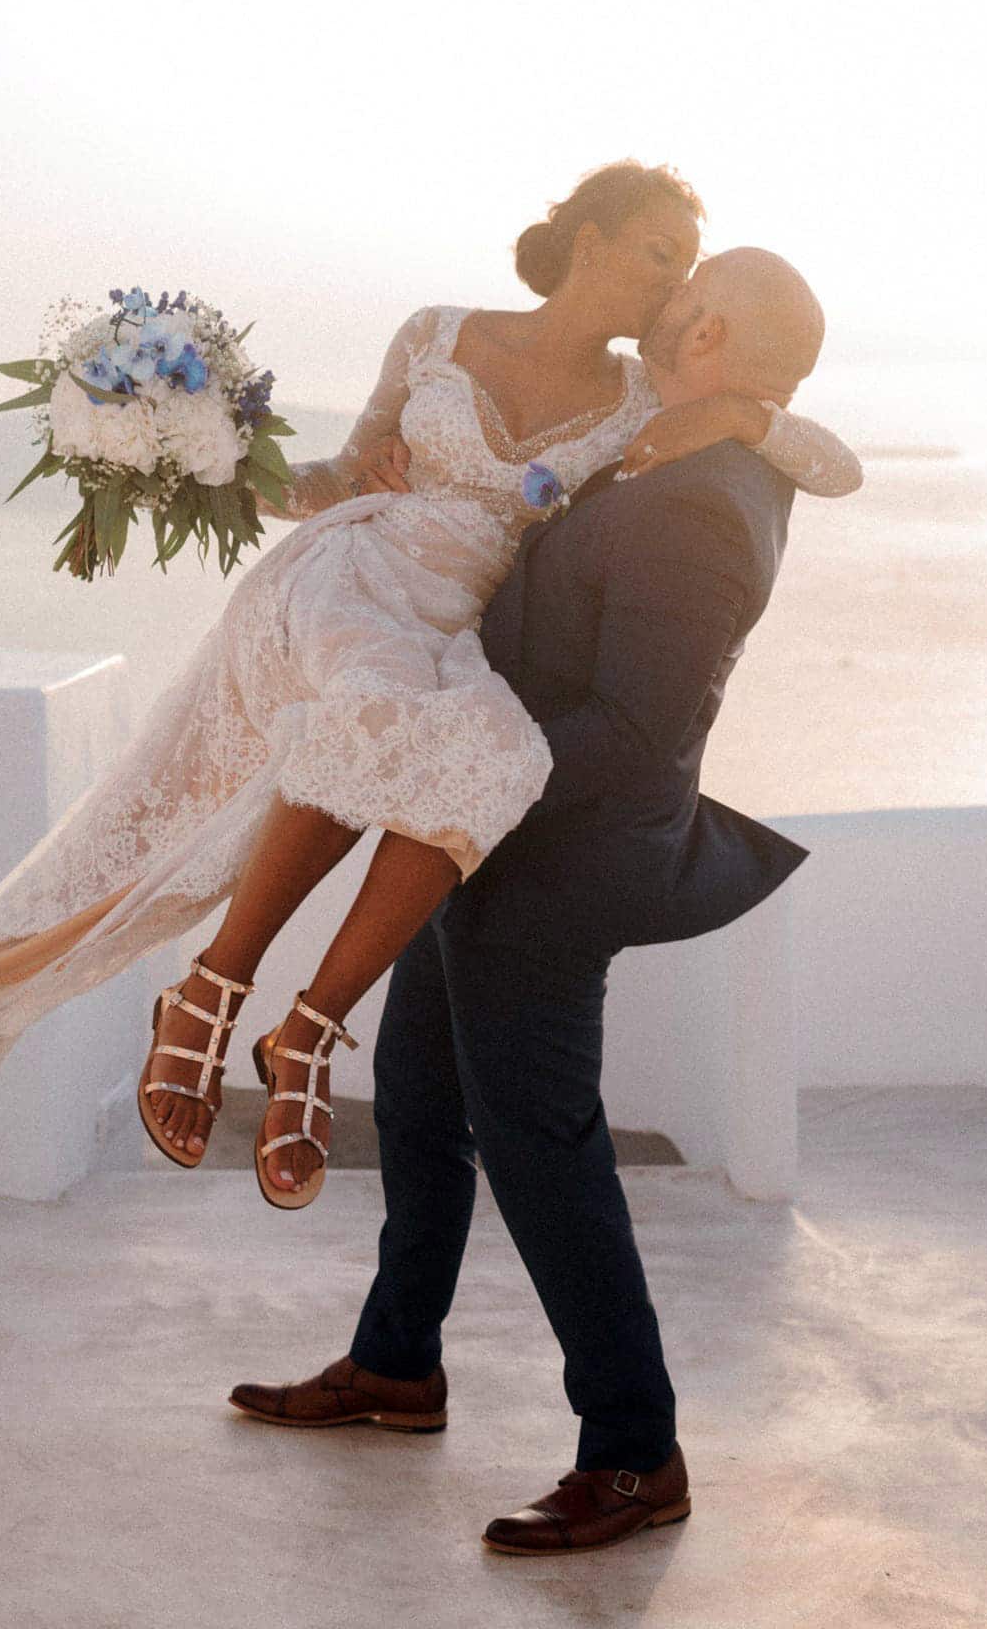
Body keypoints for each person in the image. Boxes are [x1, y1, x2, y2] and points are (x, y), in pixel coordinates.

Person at [0, 165, 861, 1213]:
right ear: (590, 241)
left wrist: (739, 418)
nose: (677, 286)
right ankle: (211, 990)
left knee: (494, 759)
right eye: (662, 254)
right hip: (351, 576)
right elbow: (334, 479)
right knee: (371, 709)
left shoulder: (646, 399)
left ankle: (305, 1033)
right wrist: (205, 456)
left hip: (453, 631)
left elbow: (835, 465)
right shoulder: (436, 333)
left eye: (691, 271)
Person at [227, 247, 823, 1552]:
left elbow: (636, 734)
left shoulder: (707, 506)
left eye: (684, 295)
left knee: (541, 1145)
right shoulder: (672, 447)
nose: (661, 305)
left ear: (709, 331)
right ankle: (397, 1363)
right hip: (480, 838)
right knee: (419, 1098)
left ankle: (635, 1451)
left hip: (552, 862)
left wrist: (455, 758)